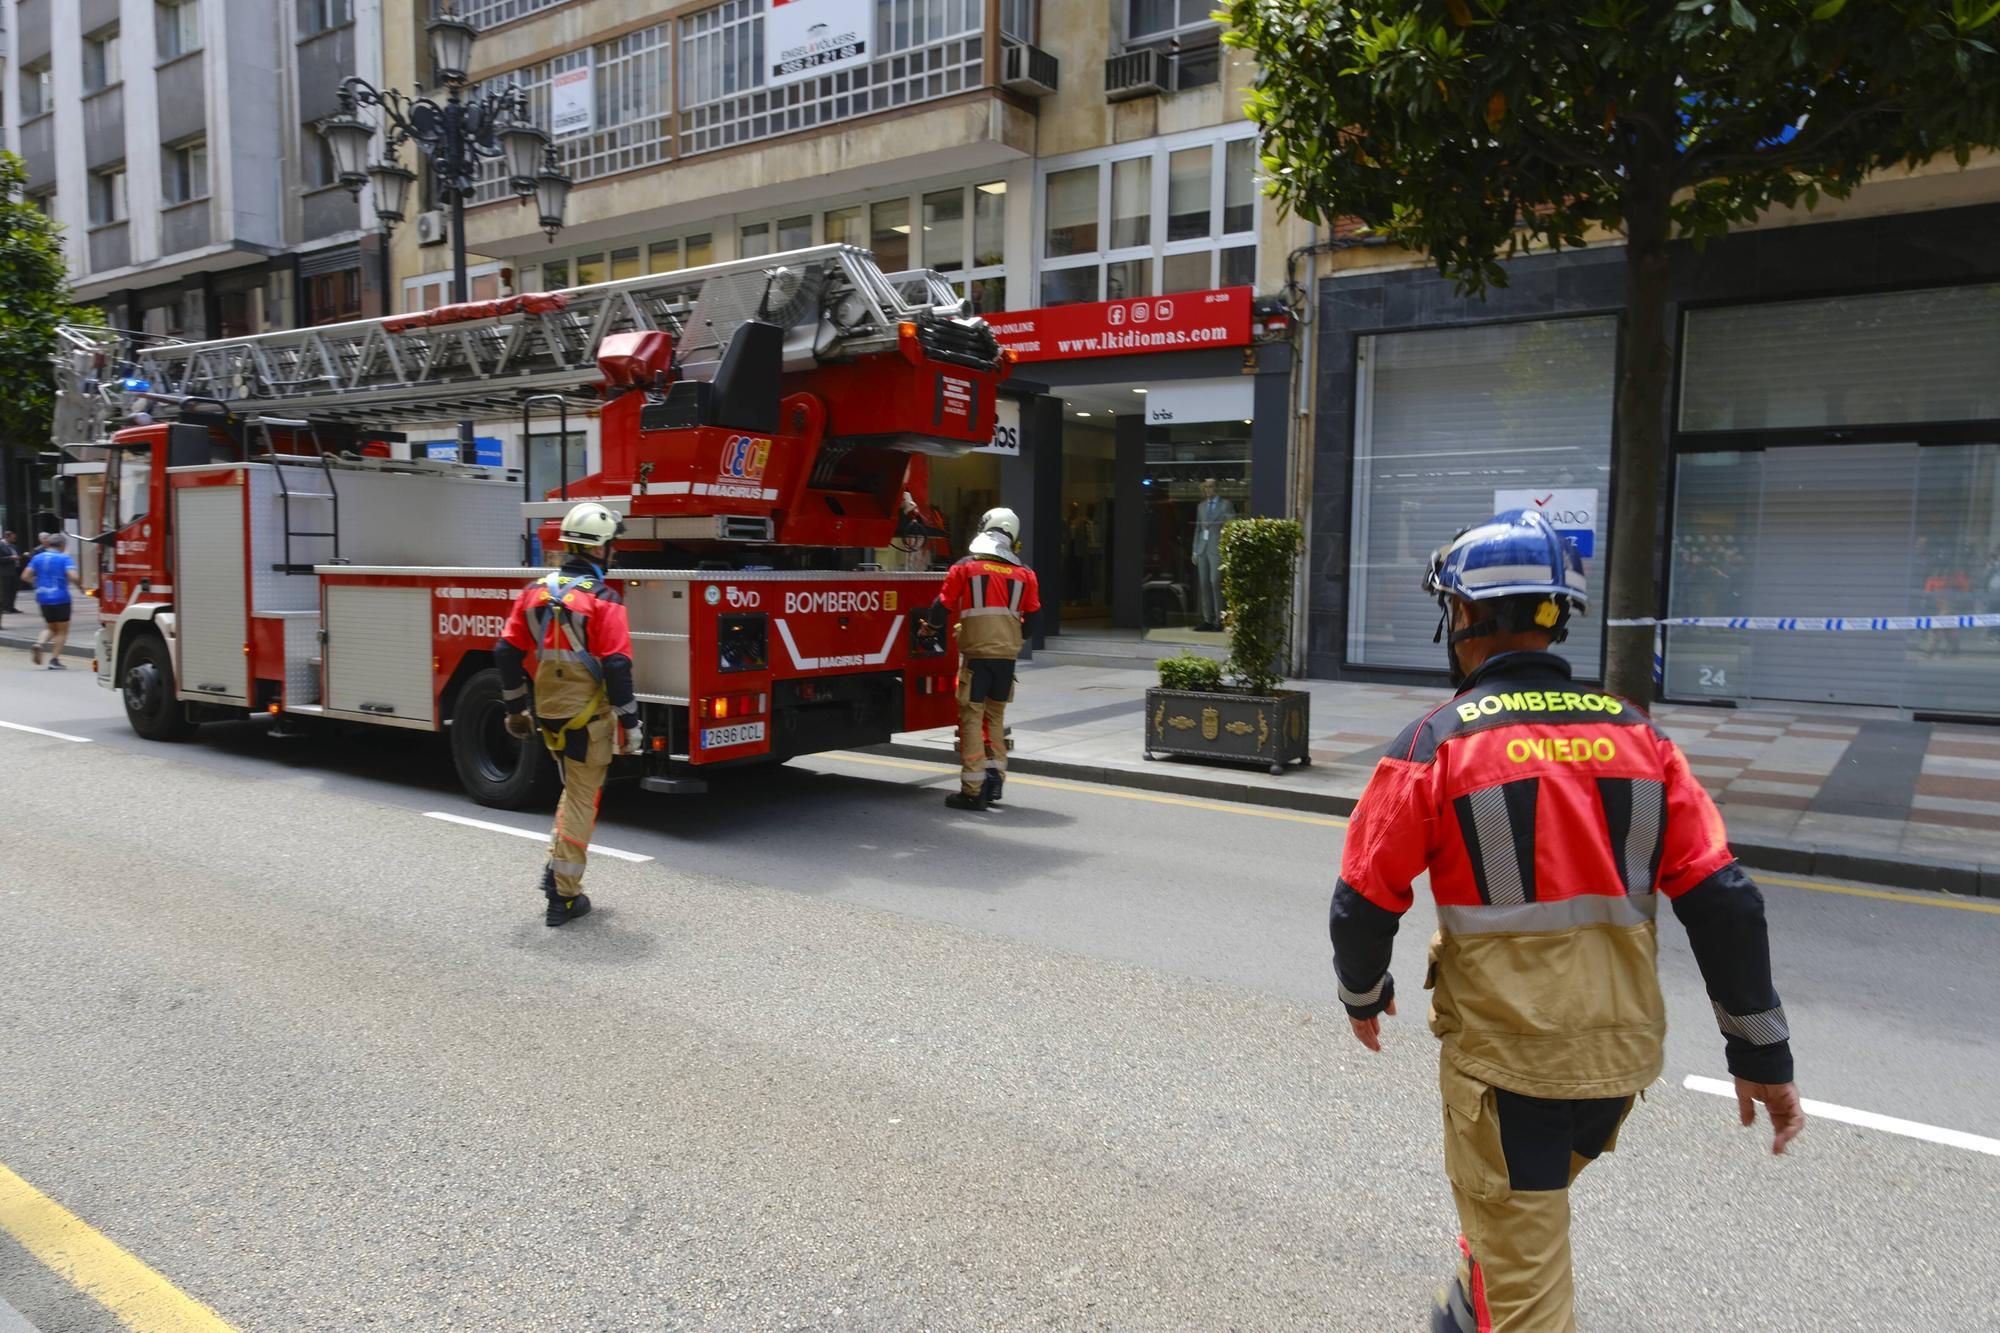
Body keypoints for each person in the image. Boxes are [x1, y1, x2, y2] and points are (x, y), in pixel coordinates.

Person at [1330, 509, 1804, 1333]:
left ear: (1467, 619)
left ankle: (1488, 1290)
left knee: (1529, 1300)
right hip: (1619, 1064)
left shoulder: (1436, 744)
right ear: (1555, 618)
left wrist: (1363, 994)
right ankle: (1483, 1284)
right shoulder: (1640, 738)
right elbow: (1724, 899)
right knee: (1519, 1225)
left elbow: (1363, 899)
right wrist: (1761, 1050)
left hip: (1512, 1070)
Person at [493, 502, 643, 926]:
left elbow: (506, 651)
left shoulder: (533, 591)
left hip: (550, 711)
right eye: (611, 546)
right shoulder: (603, 599)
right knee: (582, 795)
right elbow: (616, 664)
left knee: (571, 787)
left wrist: (515, 707)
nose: (613, 553)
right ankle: (565, 896)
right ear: (600, 550)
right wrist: (630, 723)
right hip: (588, 716)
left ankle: (555, 867)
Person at [924, 507, 1040, 812]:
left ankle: (973, 791)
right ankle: (995, 780)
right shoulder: (1026, 573)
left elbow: (941, 606)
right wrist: (1009, 638)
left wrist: (931, 628)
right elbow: (1033, 619)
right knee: (995, 719)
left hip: (976, 658)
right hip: (1007, 659)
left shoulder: (966, 567)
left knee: (972, 720)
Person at [23, 533, 82, 668]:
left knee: (50, 627)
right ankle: (54, 660)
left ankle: (39, 643)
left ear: (48, 544)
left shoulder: (37, 558)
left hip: (43, 597)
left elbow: (25, 576)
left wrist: (36, 583)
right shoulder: (64, 558)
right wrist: (81, 587)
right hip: (61, 598)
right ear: (62, 545)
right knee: (62, 630)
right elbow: (73, 576)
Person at [1191, 477, 1235, 631]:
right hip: (1203, 548)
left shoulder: (1225, 505)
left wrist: (1227, 548)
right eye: (1206, 487)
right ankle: (1207, 619)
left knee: (1215, 582)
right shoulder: (1201, 506)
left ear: (1217, 488)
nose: (1208, 489)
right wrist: (1195, 550)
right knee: (1204, 585)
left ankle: (1219, 619)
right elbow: (1198, 529)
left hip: (1217, 548)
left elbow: (1230, 526)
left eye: (1211, 487)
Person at [0, 530, 21, 620]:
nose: (14, 539)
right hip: (4, 572)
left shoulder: (13, 546)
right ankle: (5, 608)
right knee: (6, 590)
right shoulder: (1, 546)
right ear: (7, 537)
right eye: (13, 537)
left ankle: (11, 607)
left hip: (14, 571)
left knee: (14, 589)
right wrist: (10, 558)